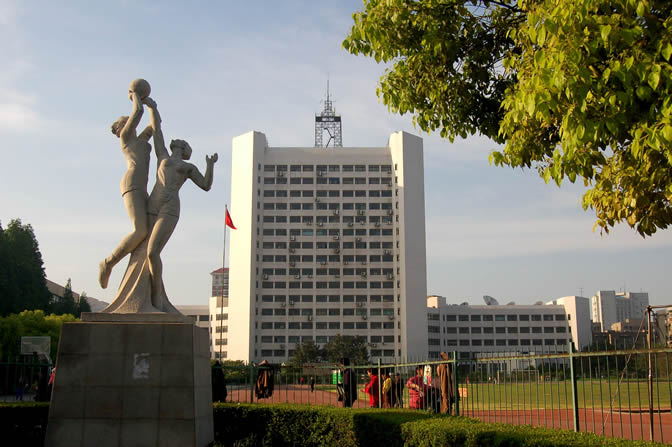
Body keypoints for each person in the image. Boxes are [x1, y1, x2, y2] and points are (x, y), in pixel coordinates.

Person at [143, 98, 217, 309]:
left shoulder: (188, 167)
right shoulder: (162, 156)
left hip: (170, 207)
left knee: (152, 251)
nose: (179, 142)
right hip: (153, 203)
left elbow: (206, 185)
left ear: (184, 149)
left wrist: (210, 165)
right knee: (142, 249)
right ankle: (146, 292)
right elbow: (157, 131)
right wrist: (152, 108)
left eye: (182, 143)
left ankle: (157, 296)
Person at [99, 80, 154, 289]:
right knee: (140, 231)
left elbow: (154, 126)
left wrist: (153, 107)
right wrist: (135, 96)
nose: (132, 123)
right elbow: (138, 112)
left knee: (149, 232)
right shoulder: (126, 138)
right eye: (128, 121)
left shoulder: (141, 140)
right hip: (132, 184)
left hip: (142, 187)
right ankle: (108, 262)